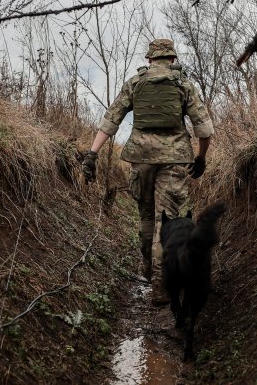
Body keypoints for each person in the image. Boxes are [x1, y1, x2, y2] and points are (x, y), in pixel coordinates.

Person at [81, 38, 214, 304]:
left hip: (140, 158)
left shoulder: (135, 83)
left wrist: (92, 154)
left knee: (146, 217)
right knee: (166, 221)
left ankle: (148, 268)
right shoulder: (183, 84)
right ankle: (161, 285)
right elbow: (204, 129)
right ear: (172, 59)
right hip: (175, 159)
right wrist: (200, 157)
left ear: (149, 59)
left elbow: (111, 120)